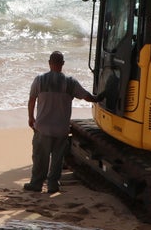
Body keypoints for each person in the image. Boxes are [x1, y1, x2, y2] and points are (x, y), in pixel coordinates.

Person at [25, 50, 99, 193]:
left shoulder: (39, 80)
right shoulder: (70, 82)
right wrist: (98, 98)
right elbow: (86, 96)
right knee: (57, 159)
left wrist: (30, 117)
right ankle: (53, 185)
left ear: (49, 63)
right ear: (63, 64)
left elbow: (32, 100)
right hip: (61, 128)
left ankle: (36, 183)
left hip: (43, 128)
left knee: (41, 157)